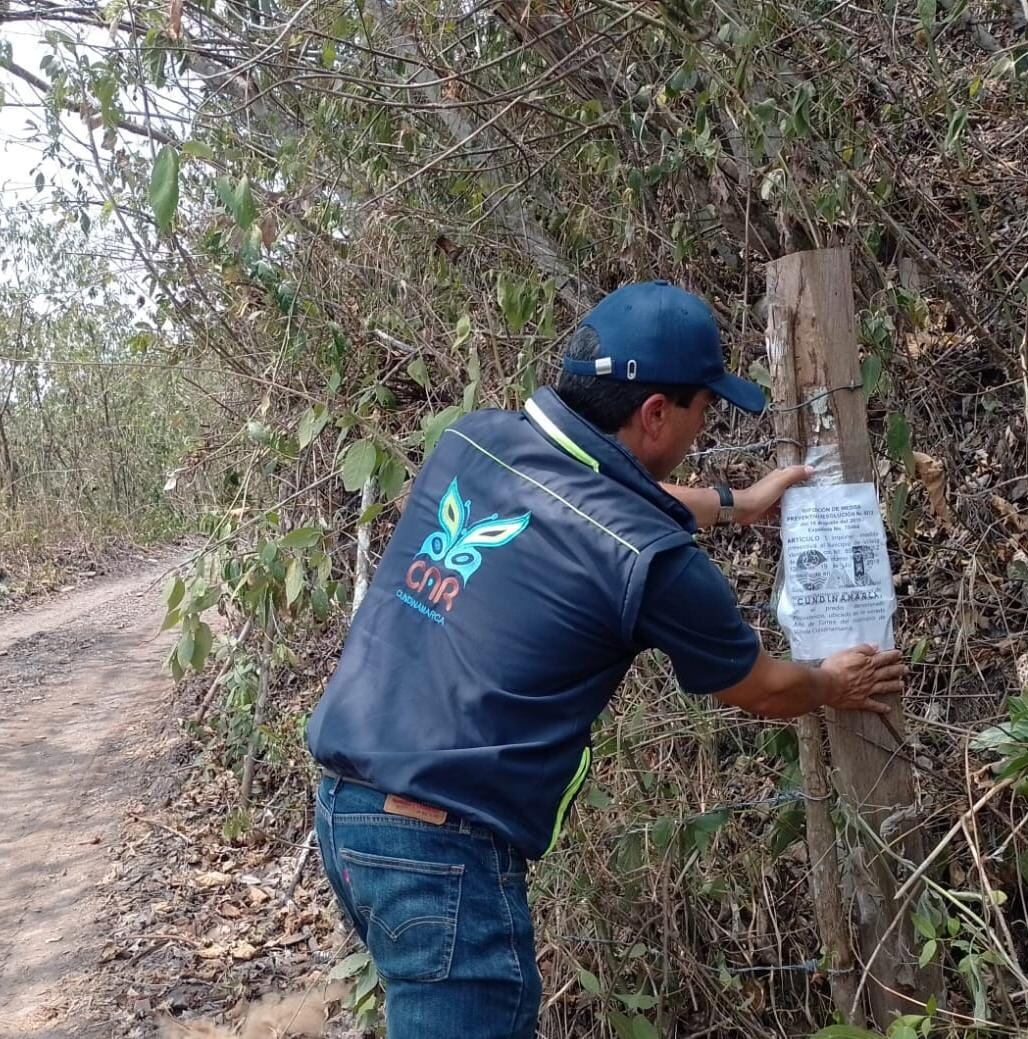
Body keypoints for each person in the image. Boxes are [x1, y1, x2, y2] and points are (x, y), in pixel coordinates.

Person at [306, 280, 904, 1038]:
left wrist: (736, 501)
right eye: (703, 407)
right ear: (656, 413)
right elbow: (759, 688)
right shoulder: (656, 563)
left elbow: (585, 492)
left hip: (345, 812)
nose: (705, 423)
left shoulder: (474, 440)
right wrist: (832, 682)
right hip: (441, 852)